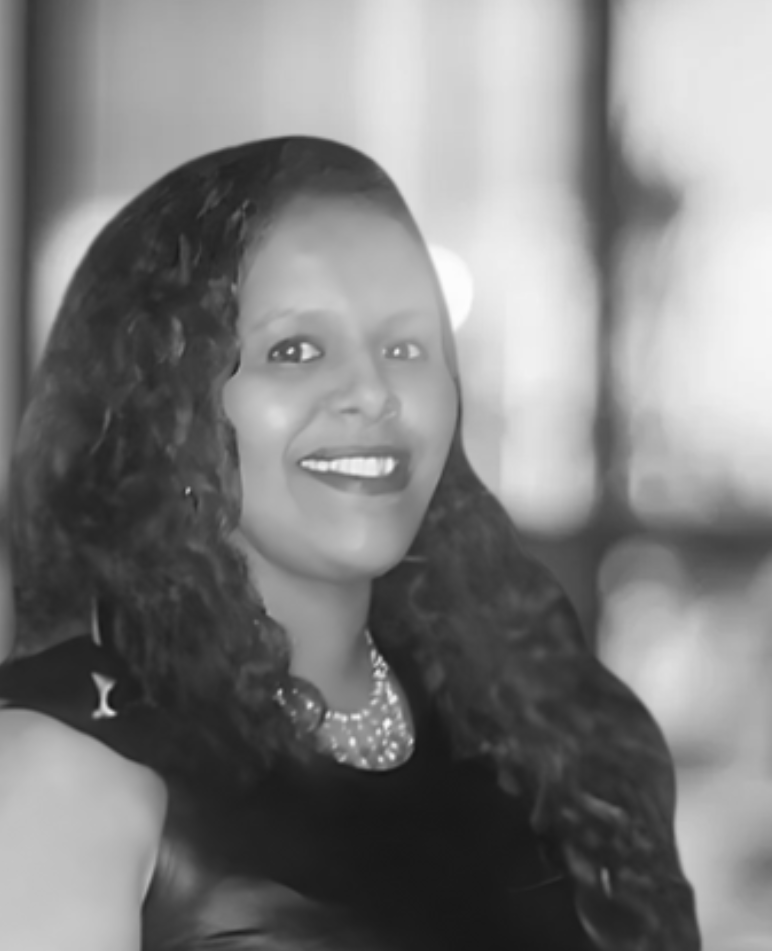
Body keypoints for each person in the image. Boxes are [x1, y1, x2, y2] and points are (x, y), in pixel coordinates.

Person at [0, 137, 700, 951]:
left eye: (405, 347)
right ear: (171, 408)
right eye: (295, 350)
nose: (371, 393)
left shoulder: (532, 736)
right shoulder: (60, 767)